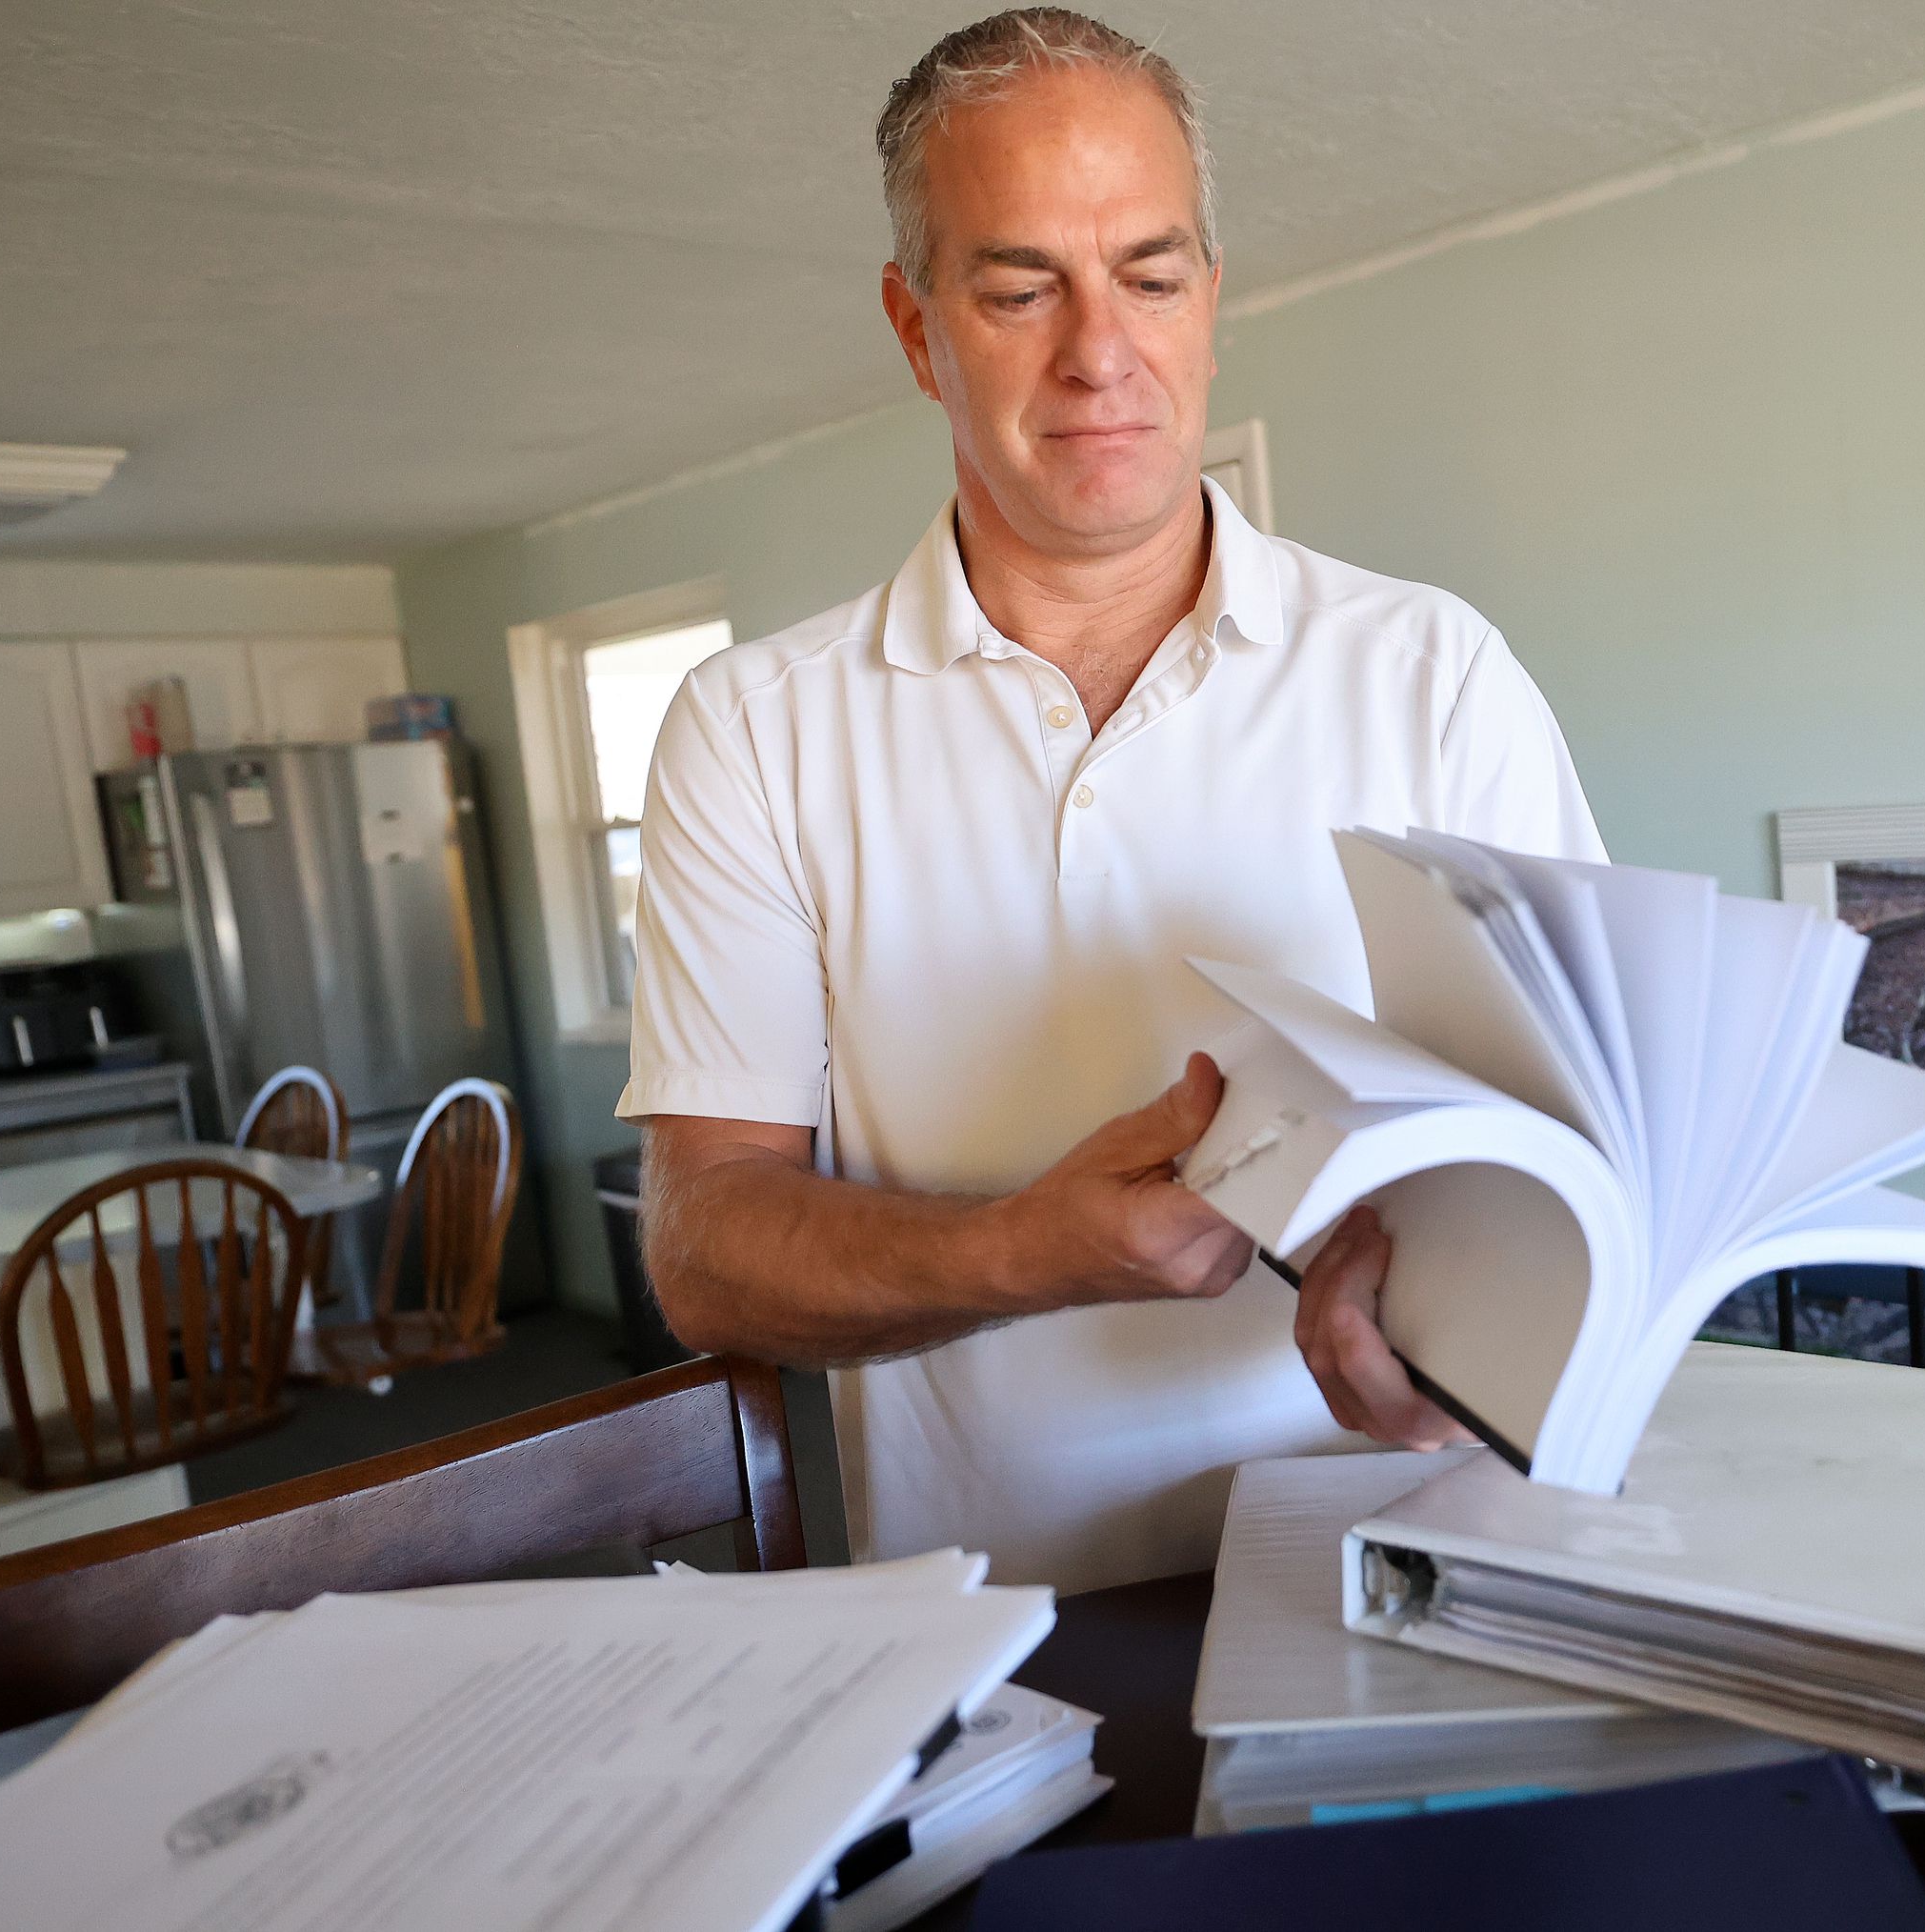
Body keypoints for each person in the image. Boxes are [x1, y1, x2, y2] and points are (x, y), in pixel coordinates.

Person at [624, 9, 1603, 1593]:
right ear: (916, 327)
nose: (1099, 351)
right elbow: (705, 1251)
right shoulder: (751, 731)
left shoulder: (1436, 675)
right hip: (990, 1633)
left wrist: (1470, 1343)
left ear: (1211, 298)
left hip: (1410, 1579)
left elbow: (1583, 1164)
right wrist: (1025, 1249)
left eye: (1149, 276)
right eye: (1020, 289)